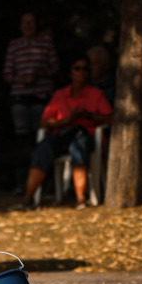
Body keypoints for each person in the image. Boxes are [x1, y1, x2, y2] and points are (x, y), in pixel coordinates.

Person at [19, 54, 113, 209]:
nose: (82, 72)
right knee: (43, 148)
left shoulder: (96, 94)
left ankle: (81, 199)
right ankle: (28, 199)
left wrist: (86, 115)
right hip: (62, 133)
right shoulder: (60, 95)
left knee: (78, 147)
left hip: (86, 135)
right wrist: (65, 121)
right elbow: (44, 121)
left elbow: (110, 118)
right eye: (77, 68)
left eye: (85, 68)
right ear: (70, 73)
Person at [3, 11, 60, 137]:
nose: (28, 25)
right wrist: (21, 79)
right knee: (21, 131)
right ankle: (23, 155)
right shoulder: (14, 45)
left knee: (39, 131)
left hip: (42, 96)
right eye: (25, 22)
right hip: (20, 97)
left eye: (31, 22)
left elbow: (56, 69)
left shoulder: (46, 42)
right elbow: (7, 74)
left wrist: (41, 74)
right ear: (20, 26)